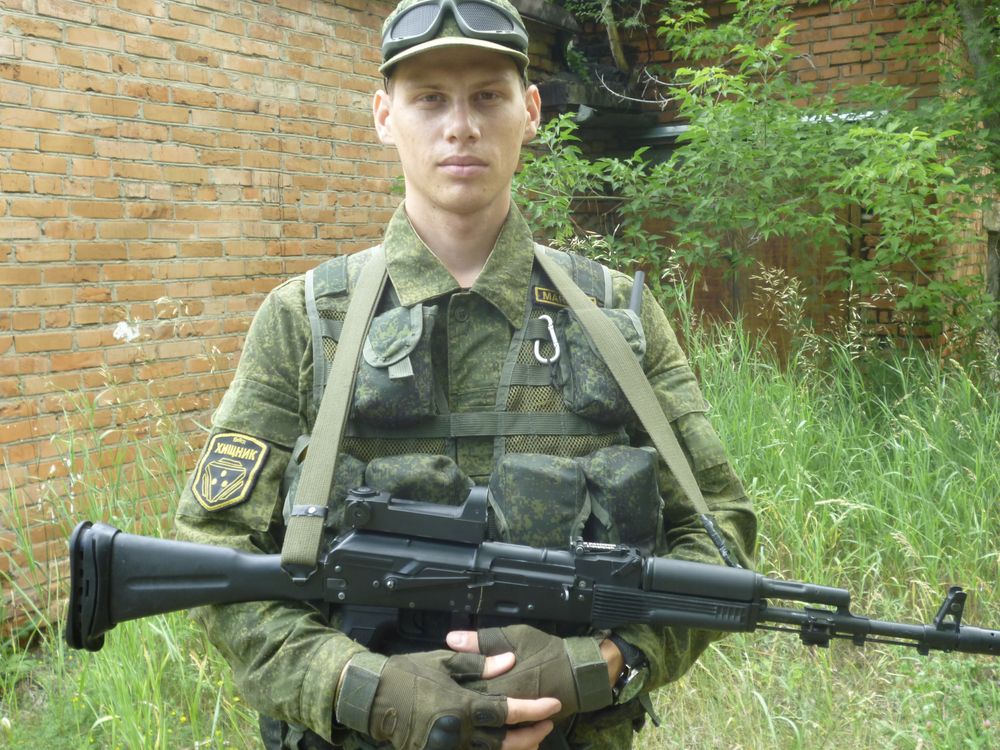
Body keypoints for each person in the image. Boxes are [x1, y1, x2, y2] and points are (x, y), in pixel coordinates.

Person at [173, 1, 757, 748]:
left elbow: (718, 532)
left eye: (487, 96)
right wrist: (362, 688)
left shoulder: (616, 318)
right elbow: (214, 553)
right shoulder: (304, 320)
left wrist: (604, 664)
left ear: (531, 111)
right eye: (429, 99)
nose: (460, 127)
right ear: (385, 116)